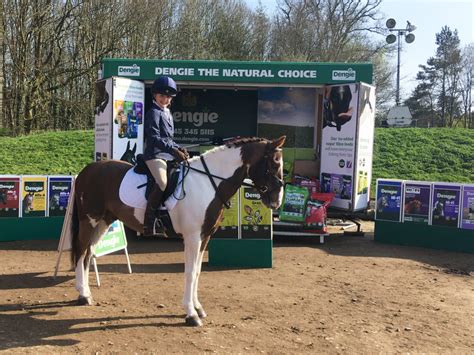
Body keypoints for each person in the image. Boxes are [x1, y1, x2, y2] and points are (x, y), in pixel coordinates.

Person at [143, 76, 189, 236]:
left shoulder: (167, 113)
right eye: (162, 96)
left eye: (168, 97)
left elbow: (168, 139)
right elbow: (154, 138)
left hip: (166, 154)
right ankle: (148, 221)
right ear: (155, 95)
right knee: (162, 182)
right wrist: (172, 150)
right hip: (154, 154)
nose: (165, 99)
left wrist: (179, 148)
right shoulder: (153, 112)